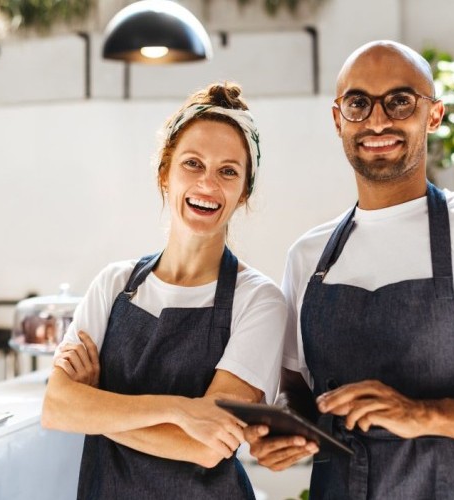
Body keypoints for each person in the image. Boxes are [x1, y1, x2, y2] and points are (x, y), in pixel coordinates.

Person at [244, 41, 454, 499]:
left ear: (434, 116)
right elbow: (295, 388)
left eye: (400, 101)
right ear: (337, 119)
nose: (378, 120)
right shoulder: (309, 256)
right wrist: (288, 434)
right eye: (358, 103)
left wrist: (423, 414)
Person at [42, 82, 287, 500]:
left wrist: (97, 404)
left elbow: (207, 446)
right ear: (164, 174)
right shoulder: (115, 284)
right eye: (193, 163)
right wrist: (181, 410)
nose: (208, 183)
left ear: (243, 192)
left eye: (228, 171)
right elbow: (56, 408)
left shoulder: (258, 301)